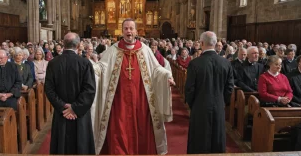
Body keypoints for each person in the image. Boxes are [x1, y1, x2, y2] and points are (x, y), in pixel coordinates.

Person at [92, 18, 174, 155]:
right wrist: (90, 68)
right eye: (126, 28)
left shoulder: (145, 50)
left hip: (141, 99)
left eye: (131, 28)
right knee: (119, 129)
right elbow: (101, 68)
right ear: (122, 31)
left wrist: (167, 76)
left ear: (136, 31)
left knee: (142, 128)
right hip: (119, 101)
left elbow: (156, 69)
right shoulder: (113, 50)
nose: (128, 31)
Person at [44, 32, 96, 154]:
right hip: (80, 114)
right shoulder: (85, 63)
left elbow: (49, 89)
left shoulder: (53, 63)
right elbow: (89, 90)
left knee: (61, 146)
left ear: (63, 44)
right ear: (78, 45)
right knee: (81, 145)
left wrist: (63, 106)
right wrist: (75, 108)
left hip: (62, 113)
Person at [185, 31, 234, 154]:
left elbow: (189, 89)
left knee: (199, 141)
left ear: (201, 43)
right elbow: (229, 88)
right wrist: (222, 101)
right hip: (218, 106)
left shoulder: (195, 63)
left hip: (199, 107)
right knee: (216, 139)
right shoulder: (226, 63)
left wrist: (193, 105)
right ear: (215, 43)